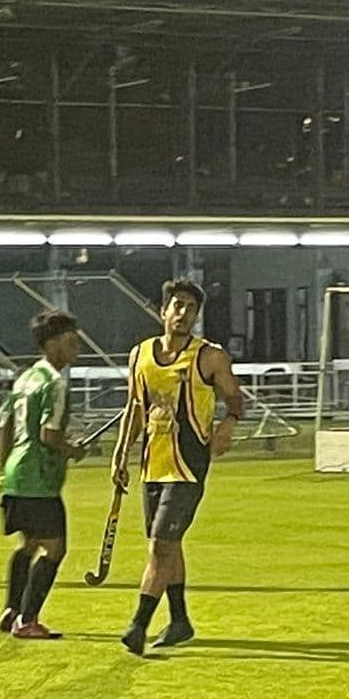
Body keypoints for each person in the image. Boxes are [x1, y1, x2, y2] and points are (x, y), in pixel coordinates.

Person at [111, 278, 244, 656]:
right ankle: (180, 619)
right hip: (153, 464)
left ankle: (138, 625)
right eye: (178, 306)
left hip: (188, 467)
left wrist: (226, 426)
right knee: (169, 546)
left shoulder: (209, 357)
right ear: (162, 310)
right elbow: (135, 409)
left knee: (160, 545)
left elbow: (235, 399)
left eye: (191, 308)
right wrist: (121, 454)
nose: (184, 314)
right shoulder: (140, 355)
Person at [0, 310, 86, 640]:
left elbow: (5, 426)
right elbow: (49, 436)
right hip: (39, 480)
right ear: (51, 345)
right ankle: (27, 619)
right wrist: (72, 449)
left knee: (29, 544)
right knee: (55, 549)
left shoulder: (25, 378)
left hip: (16, 475)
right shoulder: (55, 383)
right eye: (69, 340)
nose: (76, 345)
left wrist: (3, 472)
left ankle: (11, 609)